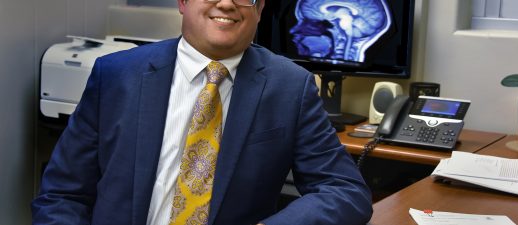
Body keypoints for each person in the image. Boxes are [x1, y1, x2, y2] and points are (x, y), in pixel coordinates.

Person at [31, 0, 373, 224]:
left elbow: (345, 191)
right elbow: (62, 194)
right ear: (182, 2)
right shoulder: (117, 74)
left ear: (260, 8)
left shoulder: (290, 87)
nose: (226, 2)